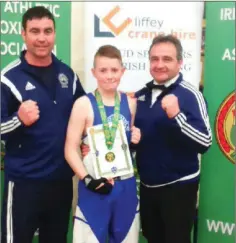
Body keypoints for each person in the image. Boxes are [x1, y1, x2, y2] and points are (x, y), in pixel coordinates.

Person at [1, 6, 85, 243]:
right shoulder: (8, 78)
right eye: (35, 31)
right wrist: (19, 119)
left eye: (48, 31)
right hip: (24, 183)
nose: (42, 38)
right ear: (23, 34)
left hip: (60, 181)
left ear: (54, 34)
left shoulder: (67, 74)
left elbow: (85, 115)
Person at [134, 34, 212, 243]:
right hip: (148, 187)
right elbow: (137, 140)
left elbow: (205, 142)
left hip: (178, 188)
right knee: (153, 238)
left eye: (167, 59)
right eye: (154, 59)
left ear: (180, 62)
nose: (159, 65)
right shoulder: (140, 95)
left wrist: (177, 116)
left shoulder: (190, 95)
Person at [64, 45, 141, 243]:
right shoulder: (83, 104)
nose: (109, 76)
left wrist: (135, 140)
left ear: (122, 71)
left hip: (125, 187)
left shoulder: (130, 103)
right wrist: (88, 179)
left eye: (114, 70)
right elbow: (70, 148)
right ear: (94, 72)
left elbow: (127, 142)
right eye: (103, 70)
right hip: (95, 187)